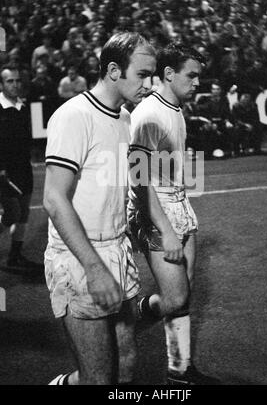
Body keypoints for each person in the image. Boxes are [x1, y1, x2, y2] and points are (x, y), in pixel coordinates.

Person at [43, 32, 156, 385]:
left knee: (125, 367)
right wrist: (93, 268)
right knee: (99, 378)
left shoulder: (124, 119)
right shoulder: (73, 116)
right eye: (142, 75)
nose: (149, 85)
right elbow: (54, 198)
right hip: (79, 258)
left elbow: (122, 185)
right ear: (112, 70)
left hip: (117, 251)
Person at [127, 43, 220, 385]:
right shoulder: (149, 114)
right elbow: (138, 180)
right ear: (168, 73)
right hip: (155, 209)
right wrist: (165, 229)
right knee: (176, 297)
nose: (197, 82)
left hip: (179, 202)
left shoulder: (175, 108)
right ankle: (138, 309)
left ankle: (179, 371)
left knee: (185, 290)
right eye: (191, 75)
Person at [0, 66, 37, 268]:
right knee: (12, 213)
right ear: (1, 84)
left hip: (23, 168)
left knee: (23, 214)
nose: (14, 85)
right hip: (4, 170)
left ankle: (15, 256)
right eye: (9, 81)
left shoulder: (22, 106)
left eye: (17, 81)